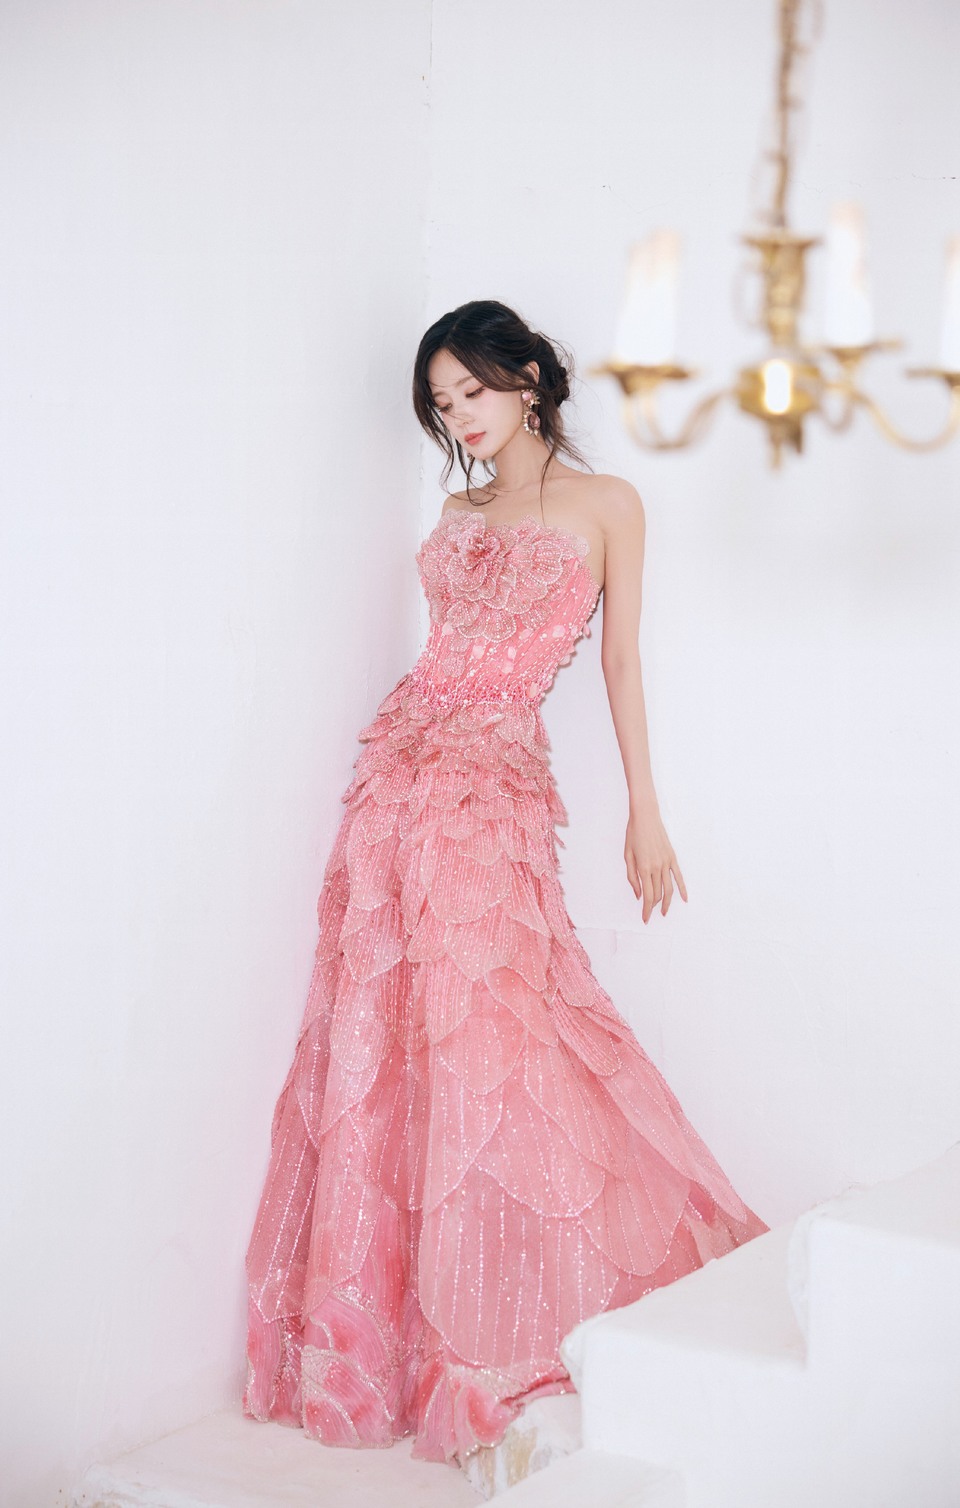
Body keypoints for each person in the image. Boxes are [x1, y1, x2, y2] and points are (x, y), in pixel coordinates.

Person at [241, 299, 768, 1475]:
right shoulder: (455, 510)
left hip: (490, 788)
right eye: (442, 403)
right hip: (396, 780)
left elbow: (620, 658)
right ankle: (401, 1344)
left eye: (471, 391)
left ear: (529, 376)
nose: (459, 417)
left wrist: (643, 806)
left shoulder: (609, 504)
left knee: (507, 1030)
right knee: (389, 1034)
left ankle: (511, 1328)